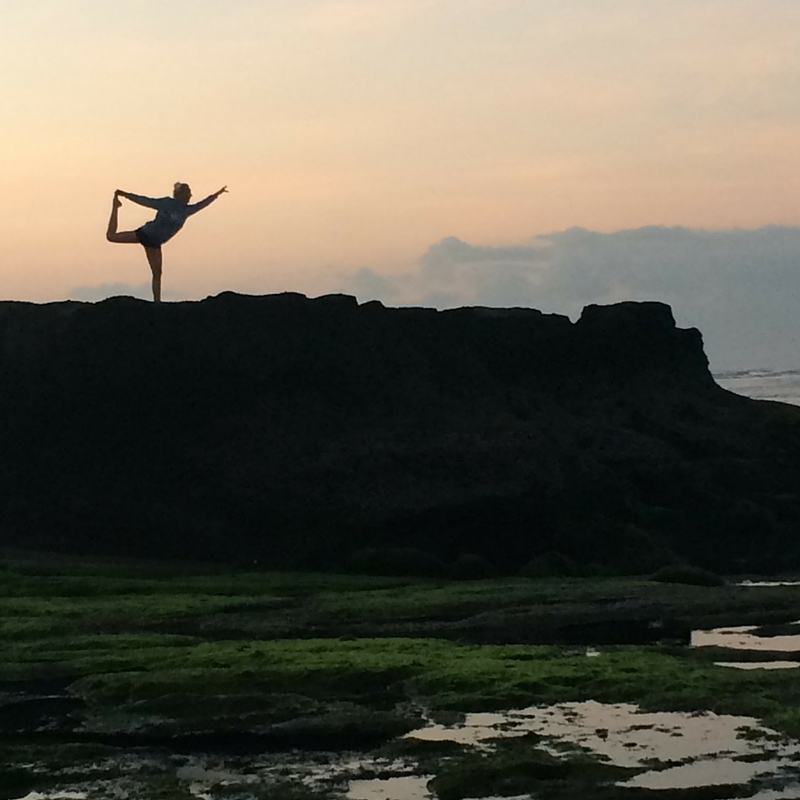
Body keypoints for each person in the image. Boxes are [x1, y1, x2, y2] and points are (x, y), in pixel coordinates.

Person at [106, 183, 227, 302]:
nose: (190, 196)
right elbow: (146, 201)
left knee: (157, 273)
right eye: (188, 194)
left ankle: (157, 302)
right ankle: (115, 206)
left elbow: (202, 204)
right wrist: (126, 195)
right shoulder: (166, 203)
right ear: (181, 195)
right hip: (145, 233)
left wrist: (217, 194)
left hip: (155, 243)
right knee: (111, 237)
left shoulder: (186, 210)